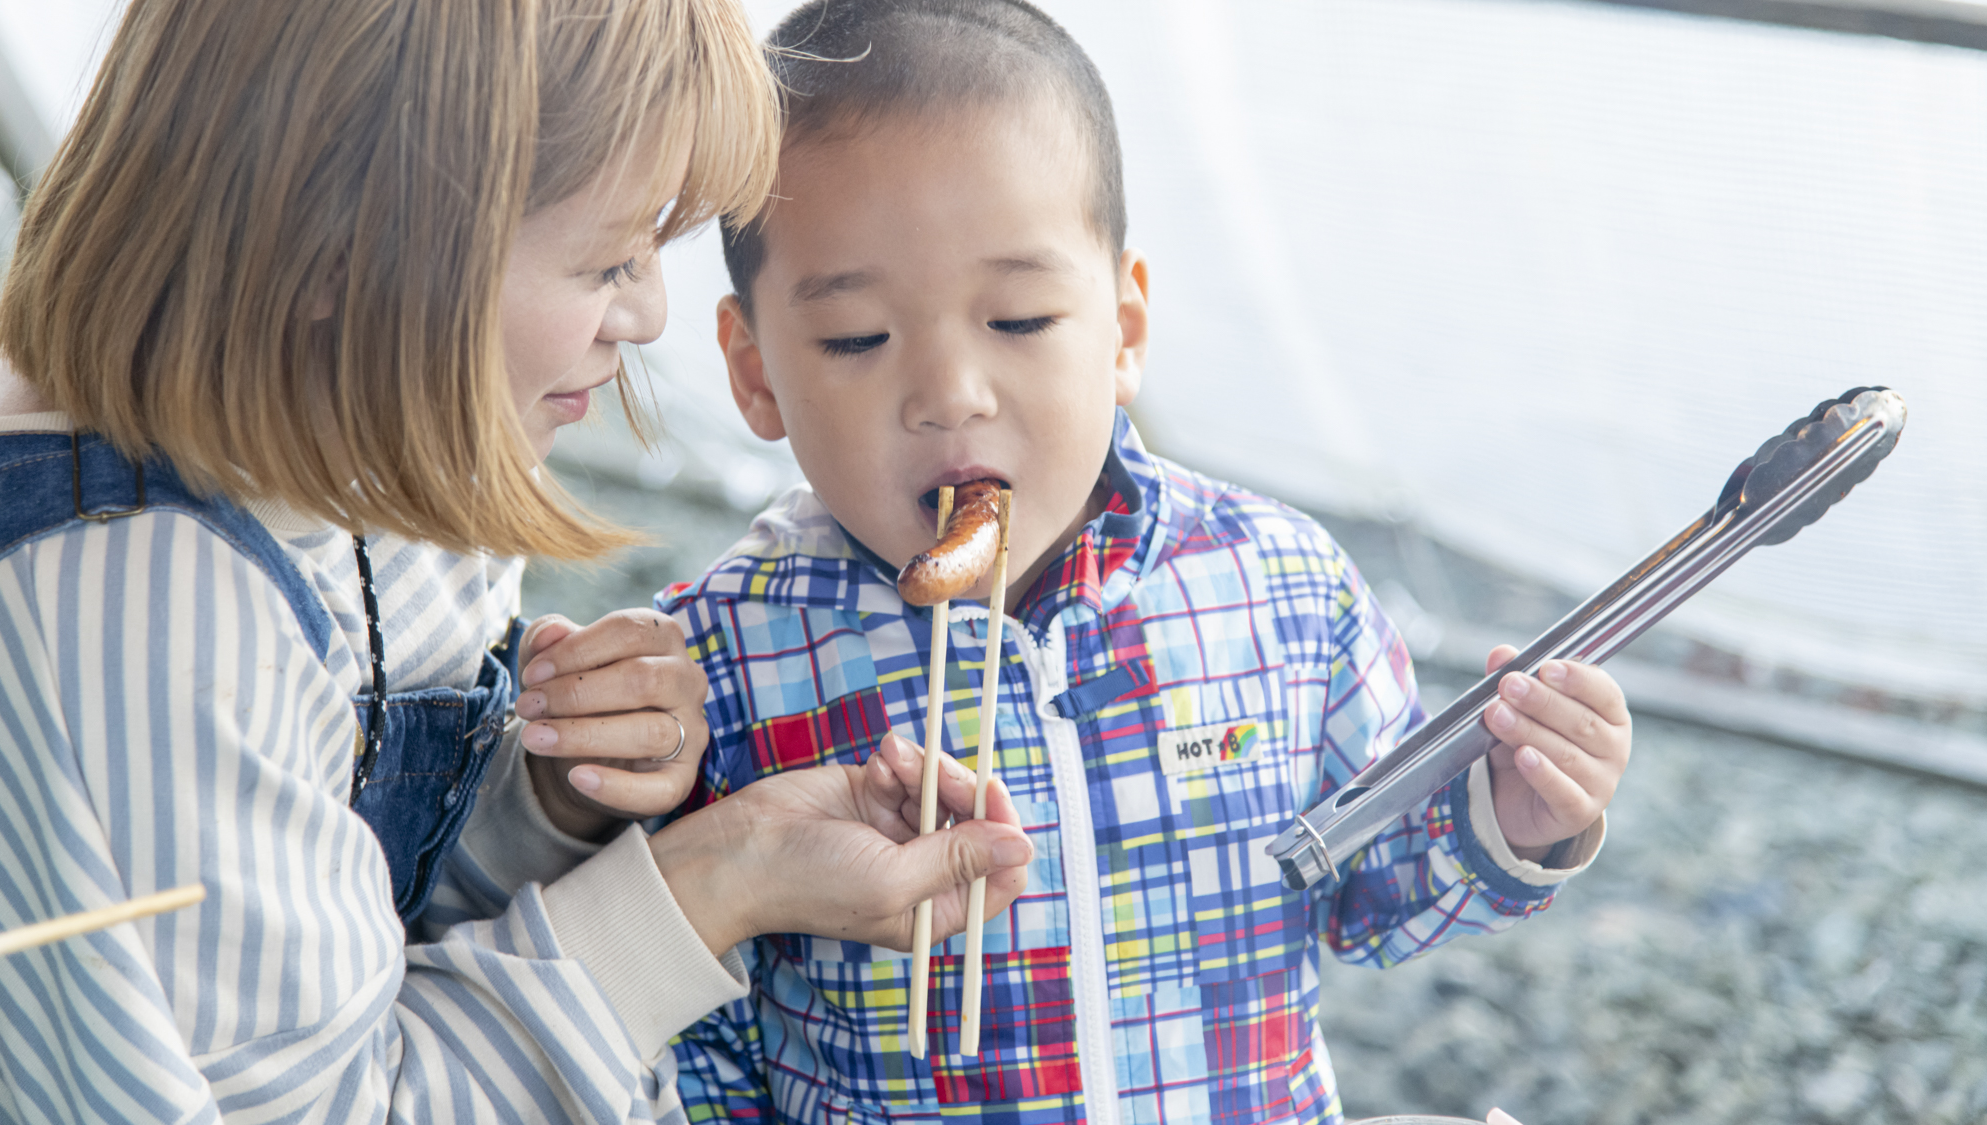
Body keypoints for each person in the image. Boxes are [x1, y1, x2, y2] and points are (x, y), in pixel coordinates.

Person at [0, 0, 1034, 1121]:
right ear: (351, 246)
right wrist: (712, 886)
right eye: (609, 259)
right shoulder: (133, 609)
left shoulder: (381, 448)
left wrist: (542, 797)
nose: (646, 314)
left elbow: (358, 927)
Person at [658, 2, 1635, 1123]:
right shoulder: (717, 655)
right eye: (856, 339)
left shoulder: (1280, 588)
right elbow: (696, 1040)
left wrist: (1512, 814)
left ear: (1121, 331)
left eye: (1018, 320)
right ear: (755, 372)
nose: (949, 396)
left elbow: (1375, 898)